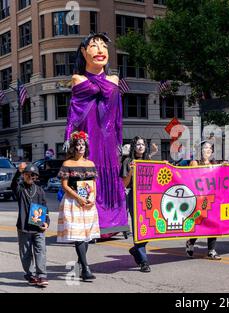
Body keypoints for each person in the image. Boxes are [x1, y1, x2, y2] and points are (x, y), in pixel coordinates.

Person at [63, 32, 127, 236]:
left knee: (110, 178)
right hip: (89, 138)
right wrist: (70, 137)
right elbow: (74, 112)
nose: (100, 50)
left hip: (108, 138)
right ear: (83, 52)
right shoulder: (77, 78)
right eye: (93, 46)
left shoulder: (114, 78)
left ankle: (113, 224)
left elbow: (117, 114)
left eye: (104, 47)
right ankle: (88, 223)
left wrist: (118, 138)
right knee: (89, 180)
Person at [57, 131, 100, 282]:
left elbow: (93, 184)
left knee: (86, 235)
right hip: (73, 202)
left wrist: (92, 197)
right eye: (78, 145)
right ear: (73, 147)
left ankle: (80, 264)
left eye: (83, 145)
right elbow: (64, 185)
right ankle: (86, 269)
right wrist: (79, 198)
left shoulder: (90, 164)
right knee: (79, 235)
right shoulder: (67, 164)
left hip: (88, 202)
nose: (80, 147)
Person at [121, 136, 158, 272]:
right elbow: (124, 184)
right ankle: (144, 261)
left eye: (143, 144)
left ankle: (135, 249)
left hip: (149, 196)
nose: (141, 146)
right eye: (138, 144)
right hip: (134, 196)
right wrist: (131, 170)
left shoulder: (148, 160)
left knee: (152, 227)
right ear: (133, 147)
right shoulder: (127, 161)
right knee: (139, 228)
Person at [11, 163, 50, 287]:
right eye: (27, 174)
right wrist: (18, 171)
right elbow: (14, 184)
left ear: (36, 177)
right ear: (23, 175)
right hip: (23, 227)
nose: (29, 176)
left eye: (32, 175)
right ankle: (31, 274)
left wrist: (46, 222)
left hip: (38, 227)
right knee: (26, 253)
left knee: (40, 251)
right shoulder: (20, 189)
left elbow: (45, 209)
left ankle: (42, 275)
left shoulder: (40, 191)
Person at [185, 141, 222, 260]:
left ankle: (211, 250)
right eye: (205, 147)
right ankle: (191, 242)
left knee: (213, 223)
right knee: (199, 223)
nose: (208, 150)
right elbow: (193, 178)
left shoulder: (214, 163)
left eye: (210, 148)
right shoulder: (195, 162)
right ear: (200, 150)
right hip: (198, 198)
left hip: (211, 198)